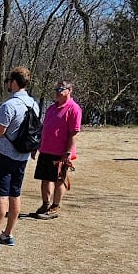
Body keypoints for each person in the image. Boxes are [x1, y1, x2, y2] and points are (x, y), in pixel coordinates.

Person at [0, 67, 40, 249]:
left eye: (9, 81)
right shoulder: (33, 104)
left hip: (4, 156)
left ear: (14, 82)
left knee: (1, 197)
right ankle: (8, 234)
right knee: (15, 195)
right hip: (22, 157)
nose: (7, 84)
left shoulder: (8, 106)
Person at [32, 80, 82, 219]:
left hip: (61, 153)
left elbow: (74, 133)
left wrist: (68, 152)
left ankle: (55, 206)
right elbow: (45, 129)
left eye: (61, 89)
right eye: (56, 89)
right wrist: (37, 146)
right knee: (45, 179)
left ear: (69, 90)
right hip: (46, 150)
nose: (57, 92)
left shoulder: (74, 109)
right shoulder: (52, 108)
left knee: (60, 180)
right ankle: (45, 204)